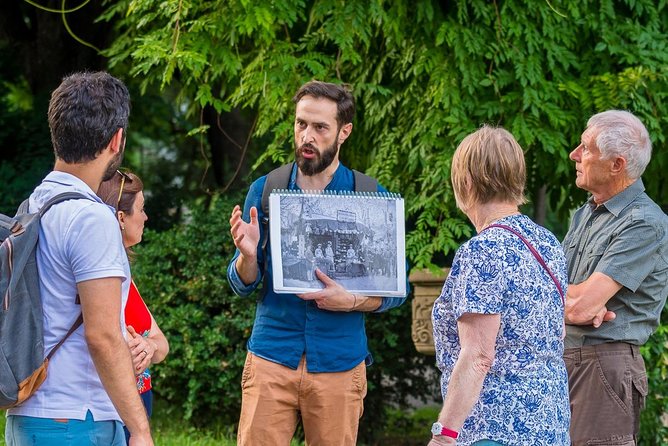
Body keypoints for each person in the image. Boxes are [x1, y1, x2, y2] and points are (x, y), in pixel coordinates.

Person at [228, 80, 407, 446]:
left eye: (320, 127)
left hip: (339, 363)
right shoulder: (266, 190)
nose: (307, 136)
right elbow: (243, 282)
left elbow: (396, 290)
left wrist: (352, 300)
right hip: (272, 357)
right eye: (300, 124)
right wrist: (247, 257)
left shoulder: (370, 197)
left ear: (344, 132)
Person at [5, 72, 153, 445]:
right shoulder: (91, 218)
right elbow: (102, 335)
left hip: (31, 414)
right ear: (116, 139)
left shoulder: (35, 205)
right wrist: (140, 429)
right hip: (77, 418)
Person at [430, 126, 570, 446]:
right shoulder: (548, 243)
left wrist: (444, 435)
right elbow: (556, 333)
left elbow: (478, 355)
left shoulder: (483, 251)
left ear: (466, 183)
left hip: (494, 430)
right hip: (550, 425)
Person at [562, 110, 668, 445]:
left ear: (617, 165)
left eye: (586, 148)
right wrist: (572, 300)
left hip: (603, 366)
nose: (574, 155)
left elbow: (580, 306)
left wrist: (576, 301)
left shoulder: (644, 222)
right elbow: (568, 298)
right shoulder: (586, 213)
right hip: (567, 359)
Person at [98, 170, 170, 443]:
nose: (145, 217)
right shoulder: (102, 280)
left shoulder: (128, 277)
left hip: (141, 401)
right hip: (115, 410)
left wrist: (149, 346)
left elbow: (162, 344)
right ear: (120, 218)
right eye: (141, 209)